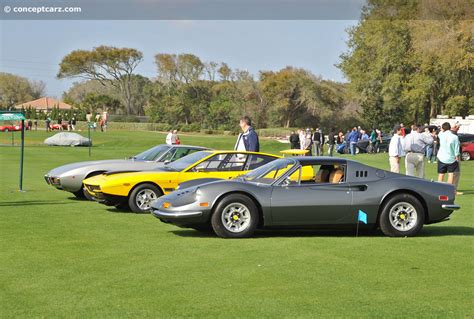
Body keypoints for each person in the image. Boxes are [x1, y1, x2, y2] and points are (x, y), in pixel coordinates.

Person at [437, 122, 460, 190]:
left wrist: (443, 129)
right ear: (450, 128)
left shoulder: (441, 135)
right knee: (451, 174)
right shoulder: (455, 137)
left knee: (441, 174)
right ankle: (448, 189)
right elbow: (456, 148)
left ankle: (438, 189)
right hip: (451, 158)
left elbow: (441, 131)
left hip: (441, 157)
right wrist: (457, 156)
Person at [451, 123, 462, 195]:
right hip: (454, 156)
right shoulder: (454, 135)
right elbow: (456, 147)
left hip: (448, 156)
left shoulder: (446, 134)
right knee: (455, 174)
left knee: (451, 174)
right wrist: (457, 156)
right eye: (457, 127)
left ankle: (451, 189)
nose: (458, 128)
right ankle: (453, 190)